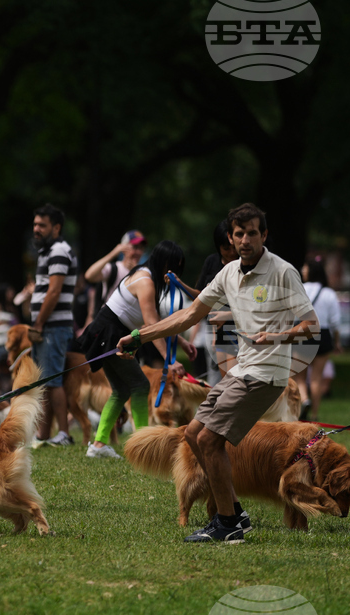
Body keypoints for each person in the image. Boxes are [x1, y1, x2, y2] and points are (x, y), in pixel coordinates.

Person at [117, 203, 317, 542]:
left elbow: (311, 326)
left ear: (263, 235)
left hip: (266, 374)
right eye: (238, 233)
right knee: (194, 434)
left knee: (209, 439)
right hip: (242, 369)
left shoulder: (283, 272)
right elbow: (189, 315)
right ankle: (234, 514)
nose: (245, 239)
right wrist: (140, 336)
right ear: (230, 237)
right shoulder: (227, 274)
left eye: (252, 232)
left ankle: (228, 523)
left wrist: (277, 336)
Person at [78, 241, 196, 458]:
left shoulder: (145, 275)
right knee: (140, 386)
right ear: (164, 262)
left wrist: (181, 342)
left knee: (122, 390)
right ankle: (142, 447)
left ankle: (99, 445)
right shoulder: (145, 281)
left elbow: (153, 321)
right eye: (173, 267)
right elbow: (151, 325)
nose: (173, 273)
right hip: (110, 334)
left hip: (111, 332)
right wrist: (169, 359)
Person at [29, 204, 75, 445]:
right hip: (48, 326)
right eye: (35, 224)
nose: (36, 229)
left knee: (53, 381)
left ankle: (65, 434)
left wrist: (38, 322)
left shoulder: (58, 251)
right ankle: (43, 435)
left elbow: (55, 291)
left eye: (42, 225)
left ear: (56, 228)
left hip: (53, 327)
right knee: (44, 381)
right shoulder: (47, 251)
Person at [192, 220, 240, 383]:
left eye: (234, 247)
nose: (232, 252)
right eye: (226, 248)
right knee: (217, 381)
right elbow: (199, 297)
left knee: (234, 384)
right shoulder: (212, 262)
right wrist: (179, 283)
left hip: (237, 331)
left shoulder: (245, 266)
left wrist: (226, 316)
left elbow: (252, 306)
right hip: (215, 329)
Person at [294, 257, 340, 420]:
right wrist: (337, 342)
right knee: (317, 377)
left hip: (304, 332)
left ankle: (304, 400)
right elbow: (335, 321)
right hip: (324, 333)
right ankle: (314, 414)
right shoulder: (329, 293)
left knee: (299, 376)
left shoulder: (300, 289)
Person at [83, 230, 147, 320]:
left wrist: (137, 271)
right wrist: (113, 253)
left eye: (141, 248)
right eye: (135, 247)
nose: (138, 252)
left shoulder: (143, 273)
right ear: (124, 247)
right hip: (108, 322)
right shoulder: (114, 268)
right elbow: (89, 276)